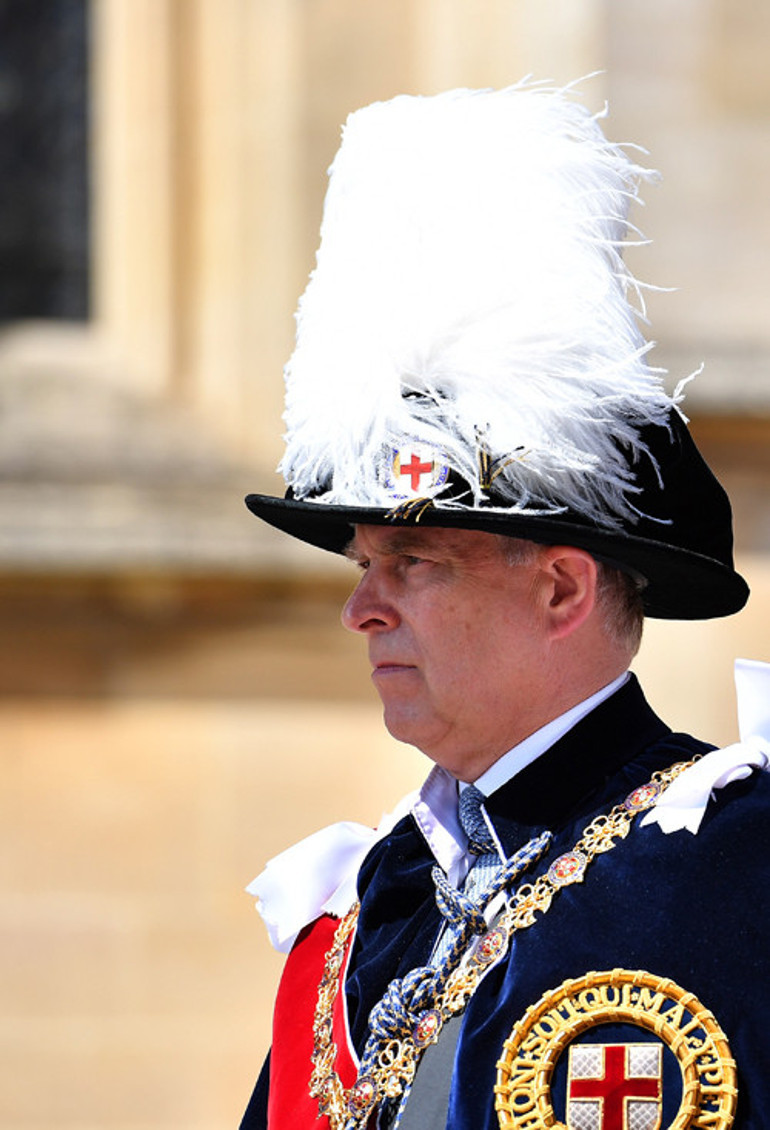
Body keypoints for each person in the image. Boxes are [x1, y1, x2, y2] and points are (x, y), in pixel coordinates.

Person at [239, 81, 769, 1130]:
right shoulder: (368, 900)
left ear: (562, 586)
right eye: (363, 565)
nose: (363, 610)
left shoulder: (732, 869)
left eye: (416, 561)